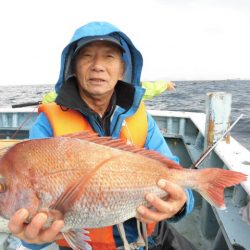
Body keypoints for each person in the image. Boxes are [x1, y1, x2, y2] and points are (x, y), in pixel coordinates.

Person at [8, 21, 195, 250]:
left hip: (151, 238)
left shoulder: (141, 119)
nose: (98, 66)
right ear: (73, 67)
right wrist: (33, 239)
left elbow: (177, 176)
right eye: (87, 56)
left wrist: (180, 203)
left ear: (122, 69)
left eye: (109, 57)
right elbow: (33, 229)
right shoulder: (47, 125)